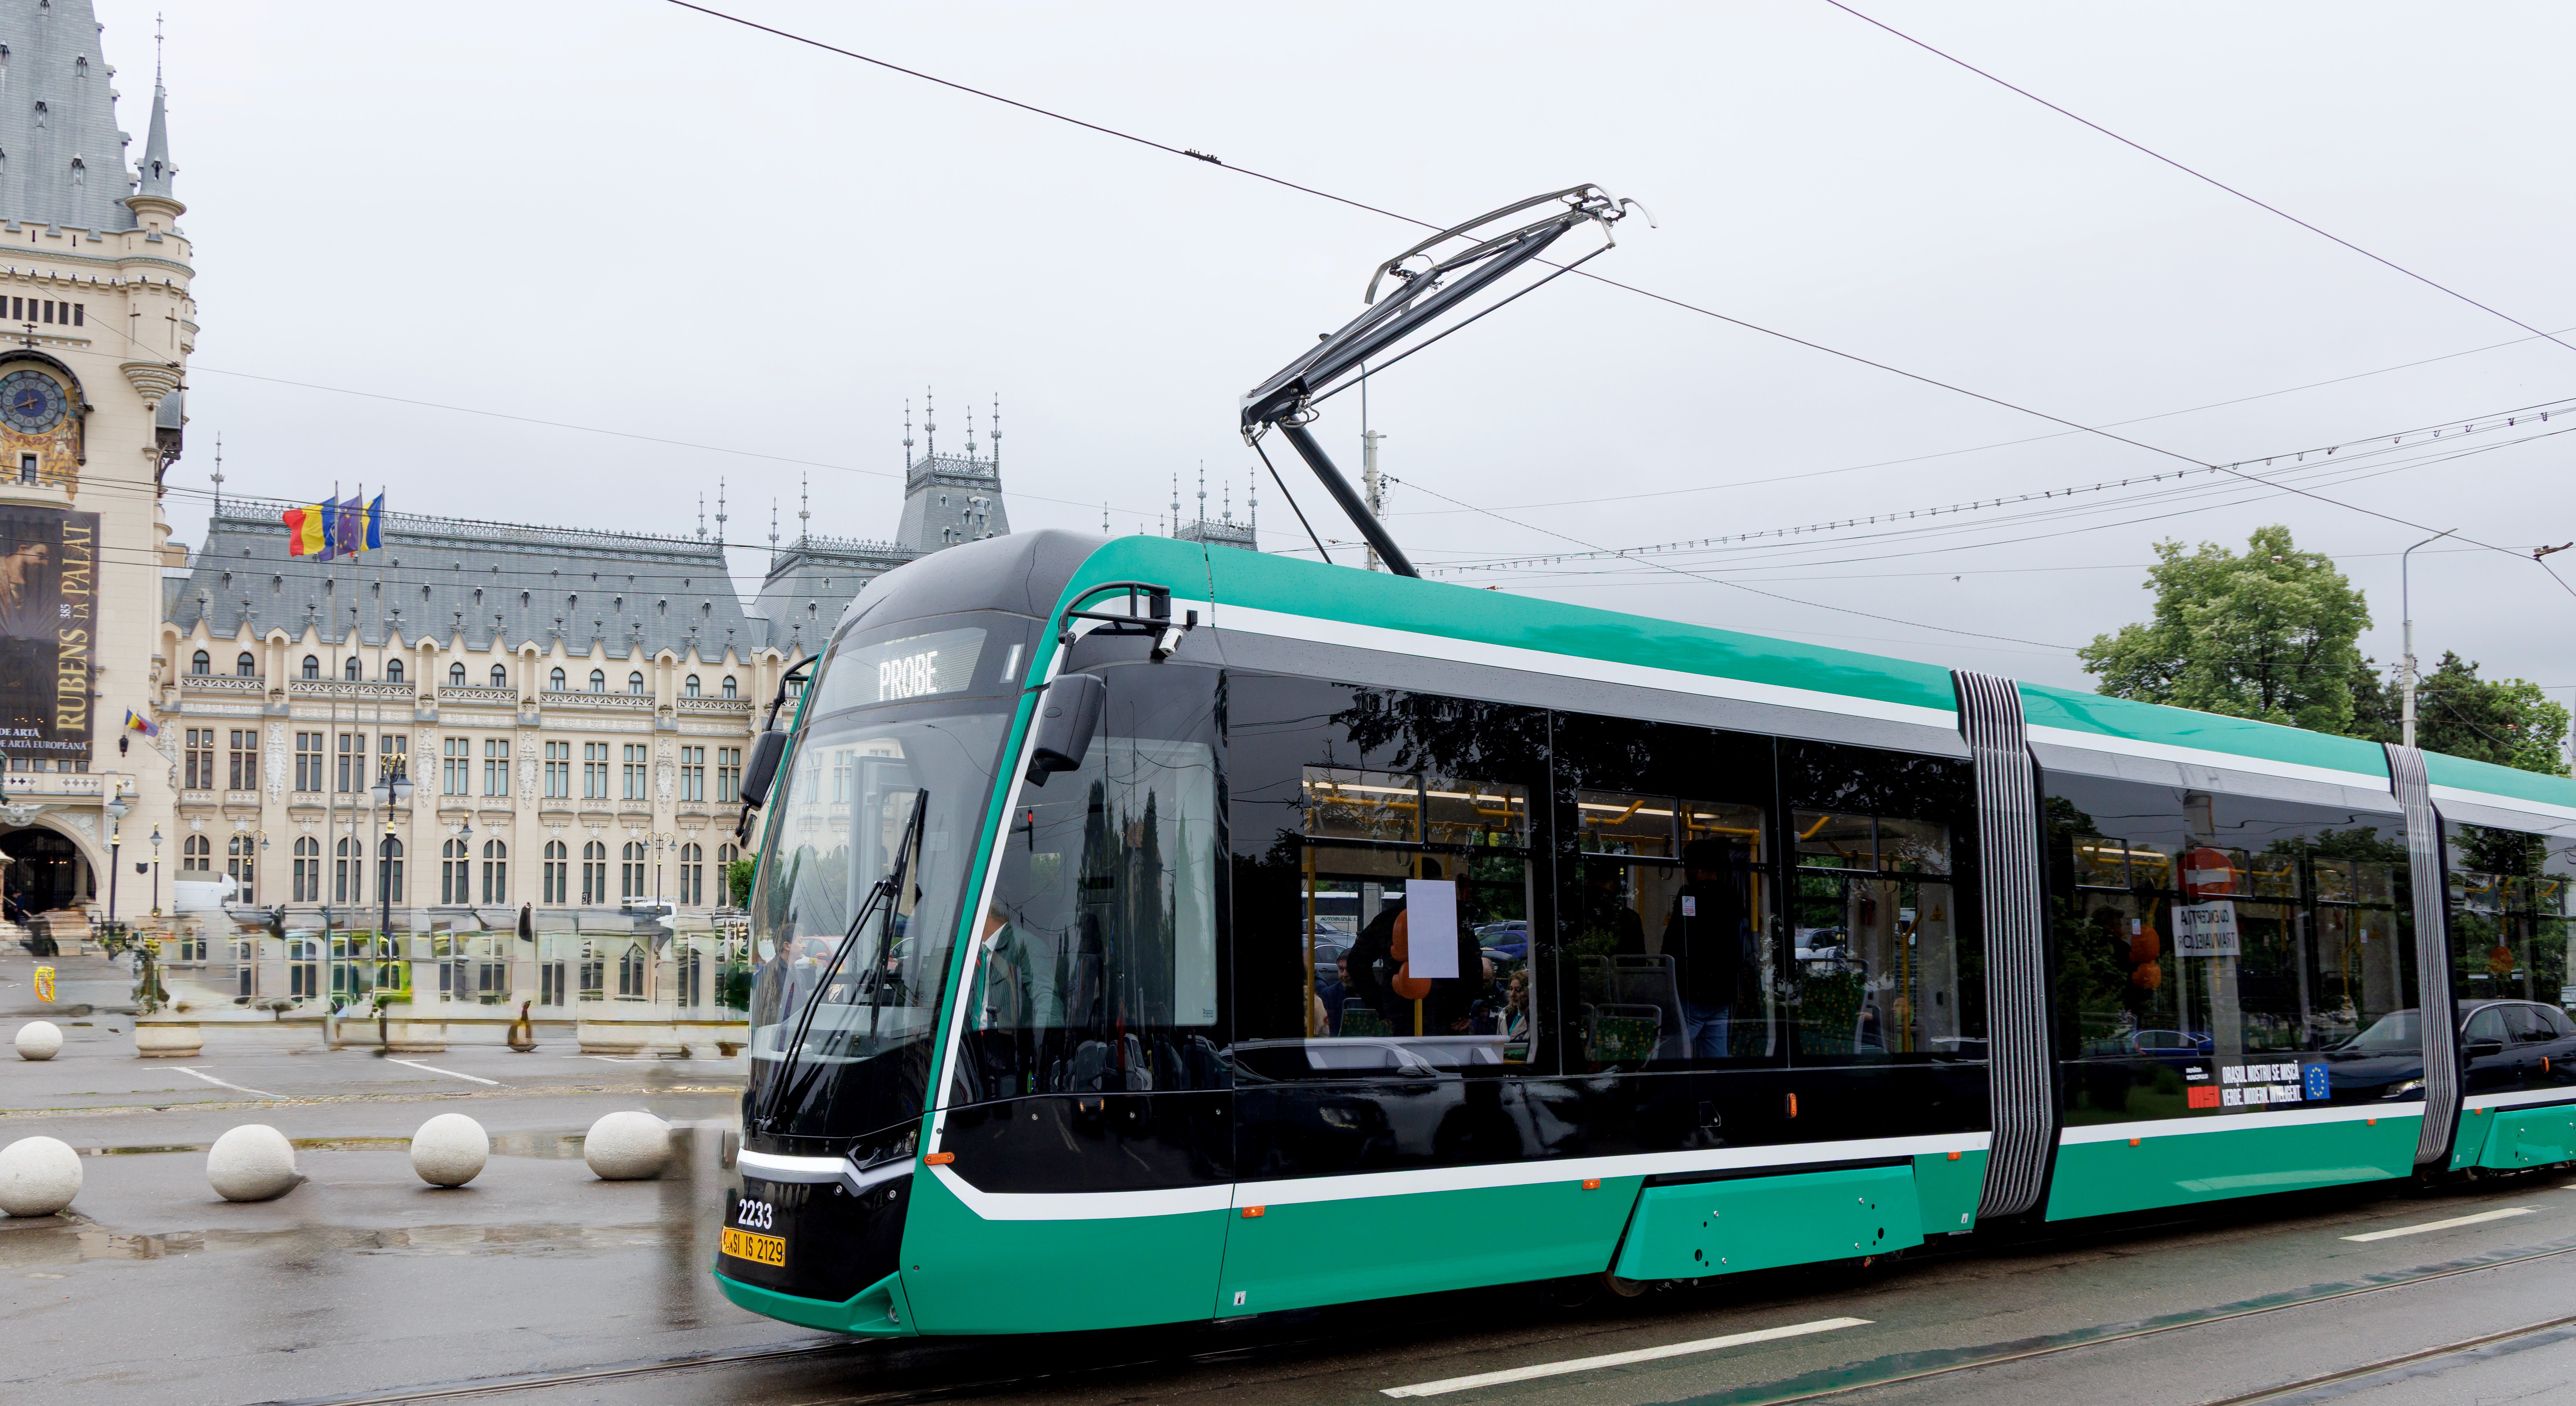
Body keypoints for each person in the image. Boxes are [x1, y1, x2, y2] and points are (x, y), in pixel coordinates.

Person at [1659, 837, 1751, 1059]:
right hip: (1723, 992)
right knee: (1716, 1055)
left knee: (1670, 1055)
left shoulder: (1689, 895)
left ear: (1695, 868)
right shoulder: (1733, 897)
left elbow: (1673, 943)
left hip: (1693, 990)